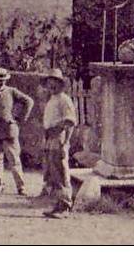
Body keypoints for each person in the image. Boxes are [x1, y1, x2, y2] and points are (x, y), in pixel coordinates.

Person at [40, 68, 77, 218]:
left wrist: (65, 142)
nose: (52, 86)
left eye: (55, 83)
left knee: (61, 172)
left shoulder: (64, 99)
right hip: (50, 138)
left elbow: (70, 121)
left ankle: (65, 206)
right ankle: (58, 205)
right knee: (53, 173)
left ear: (61, 85)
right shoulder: (53, 99)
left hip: (59, 138)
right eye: (49, 83)